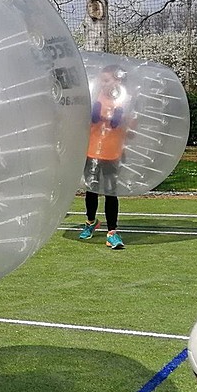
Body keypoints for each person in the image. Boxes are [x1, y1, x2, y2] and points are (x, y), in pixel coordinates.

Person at [79, 62, 129, 251]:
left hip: (112, 152)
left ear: (117, 81)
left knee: (110, 191)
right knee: (91, 189)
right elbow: (89, 119)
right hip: (92, 150)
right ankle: (91, 221)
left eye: (106, 80)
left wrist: (120, 116)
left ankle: (112, 232)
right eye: (102, 80)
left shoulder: (124, 100)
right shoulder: (95, 97)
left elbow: (123, 125)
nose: (103, 84)